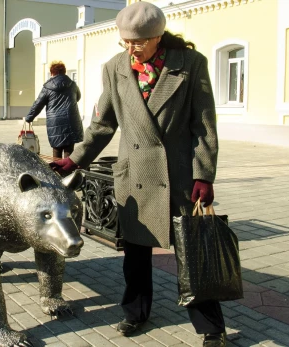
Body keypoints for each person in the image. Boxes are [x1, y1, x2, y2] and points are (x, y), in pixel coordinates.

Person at [49, 2, 224, 347]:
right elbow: (103, 123)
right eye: (126, 42)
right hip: (135, 175)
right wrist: (76, 160)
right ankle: (135, 313)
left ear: (158, 36)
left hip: (178, 177)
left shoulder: (190, 65)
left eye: (139, 43)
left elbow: (203, 125)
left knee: (191, 254)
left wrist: (204, 174)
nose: (132, 49)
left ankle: (211, 328)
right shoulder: (115, 68)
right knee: (136, 256)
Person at [25, 61, 83, 159]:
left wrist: (29, 118)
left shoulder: (48, 87)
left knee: (57, 150)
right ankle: (68, 172)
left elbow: (38, 104)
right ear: (64, 72)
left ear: (52, 73)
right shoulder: (72, 85)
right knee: (69, 151)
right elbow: (78, 97)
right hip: (71, 121)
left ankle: (57, 172)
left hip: (55, 122)